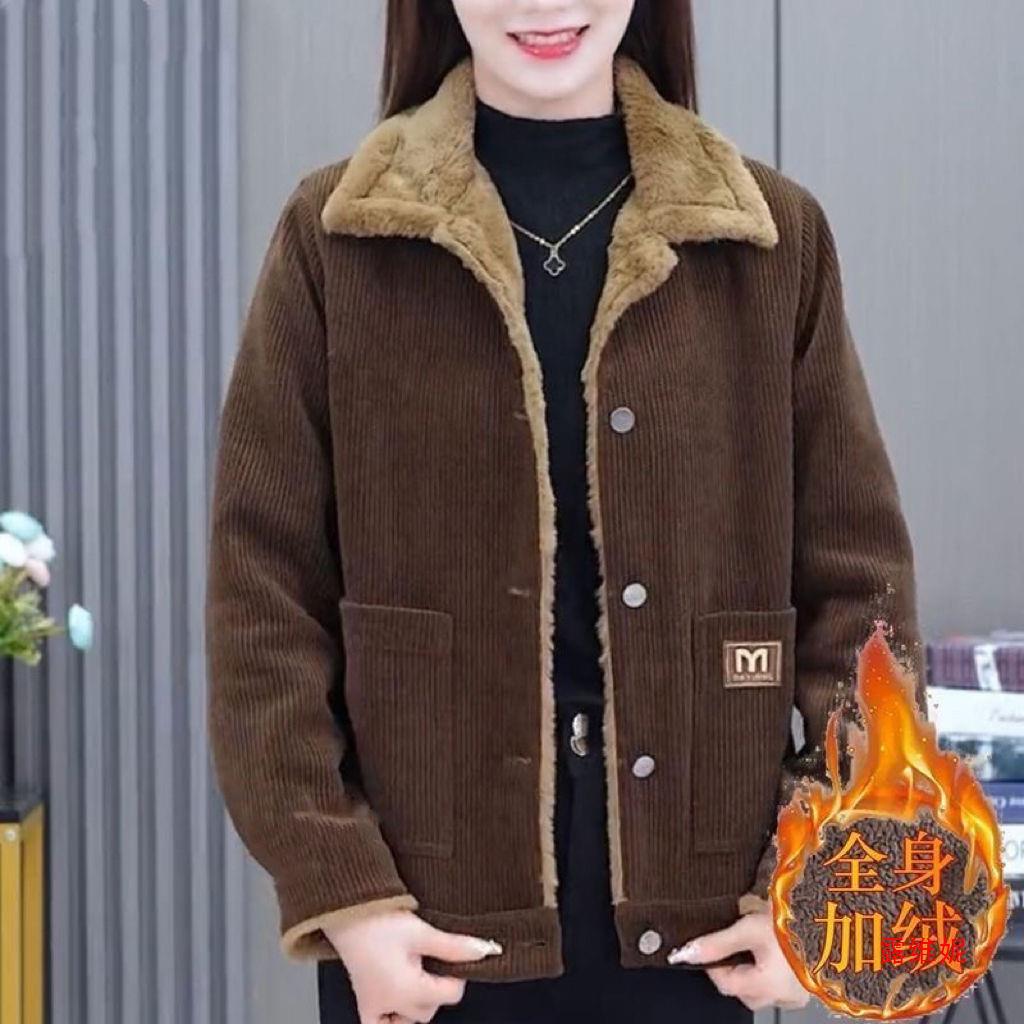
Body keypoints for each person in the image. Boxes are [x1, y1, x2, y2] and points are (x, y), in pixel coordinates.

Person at [205, 1, 926, 1022]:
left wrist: (820, 880)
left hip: (699, 932)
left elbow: (862, 597)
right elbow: (261, 597)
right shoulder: (339, 235)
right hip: (422, 934)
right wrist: (343, 891)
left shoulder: (770, 237)